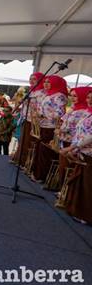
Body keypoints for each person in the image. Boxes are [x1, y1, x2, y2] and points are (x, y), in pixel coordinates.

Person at [61, 88, 92, 224]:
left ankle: (87, 214)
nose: (89, 100)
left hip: (89, 153)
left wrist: (72, 147)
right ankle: (78, 210)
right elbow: (79, 132)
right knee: (81, 182)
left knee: (88, 184)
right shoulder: (87, 113)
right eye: (88, 97)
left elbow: (90, 137)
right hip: (81, 151)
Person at [31, 75, 68, 182]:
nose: (45, 84)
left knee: (45, 152)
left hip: (51, 126)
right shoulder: (48, 94)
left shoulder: (59, 96)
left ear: (55, 83)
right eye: (45, 82)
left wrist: (43, 115)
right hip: (43, 125)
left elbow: (60, 112)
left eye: (49, 82)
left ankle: (42, 176)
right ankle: (36, 172)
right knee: (39, 150)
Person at [14, 72, 45, 166]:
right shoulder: (31, 91)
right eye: (30, 78)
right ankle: (19, 159)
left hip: (34, 121)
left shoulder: (42, 93)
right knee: (23, 140)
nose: (31, 81)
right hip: (26, 118)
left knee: (29, 142)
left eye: (34, 79)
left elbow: (41, 107)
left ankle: (26, 163)